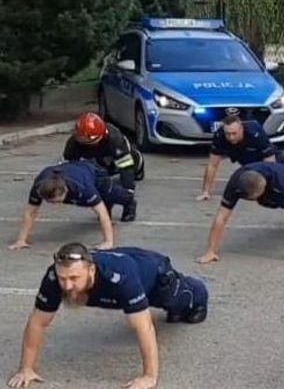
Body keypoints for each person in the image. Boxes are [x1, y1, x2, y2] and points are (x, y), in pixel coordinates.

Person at [5, 243, 208, 389]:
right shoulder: (54, 277)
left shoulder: (120, 277)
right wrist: (26, 368)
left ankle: (197, 290)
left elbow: (144, 326)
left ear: (91, 270)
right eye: (63, 278)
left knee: (184, 302)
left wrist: (149, 377)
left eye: (75, 278)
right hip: (126, 264)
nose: (67, 286)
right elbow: (38, 323)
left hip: (155, 275)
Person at [195, 162, 284, 268]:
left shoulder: (283, 181)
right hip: (264, 189)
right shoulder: (236, 181)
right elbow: (221, 217)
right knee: (267, 203)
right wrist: (210, 252)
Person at [8, 161, 131, 251]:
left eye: (56, 201)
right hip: (72, 171)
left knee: (113, 195)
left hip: (93, 172)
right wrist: (21, 240)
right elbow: (30, 212)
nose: (54, 205)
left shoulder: (82, 187)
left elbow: (101, 212)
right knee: (96, 201)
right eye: (49, 202)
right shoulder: (39, 186)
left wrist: (108, 242)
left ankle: (130, 201)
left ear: (65, 191)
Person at [62, 112, 144, 219]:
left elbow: (126, 168)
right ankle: (106, 205)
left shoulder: (115, 140)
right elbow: (69, 165)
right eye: (80, 137)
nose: (81, 140)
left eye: (85, 139)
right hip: (96, 162)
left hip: (116, 157)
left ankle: (129, 204)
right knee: (101, 182)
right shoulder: (74, 143)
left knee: (127, 174)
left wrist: (128, 192)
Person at [197, 114, 284, 201]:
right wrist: (206, 191)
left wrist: (267, 190)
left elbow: (270, 163)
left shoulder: (255, 132)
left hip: (270, 159)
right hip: (246, 160)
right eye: (228, 134)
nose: (231, 137)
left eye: (234, 133)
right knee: (244, 180)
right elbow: (212, 165)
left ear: (241, 129)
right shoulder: (219, 136)